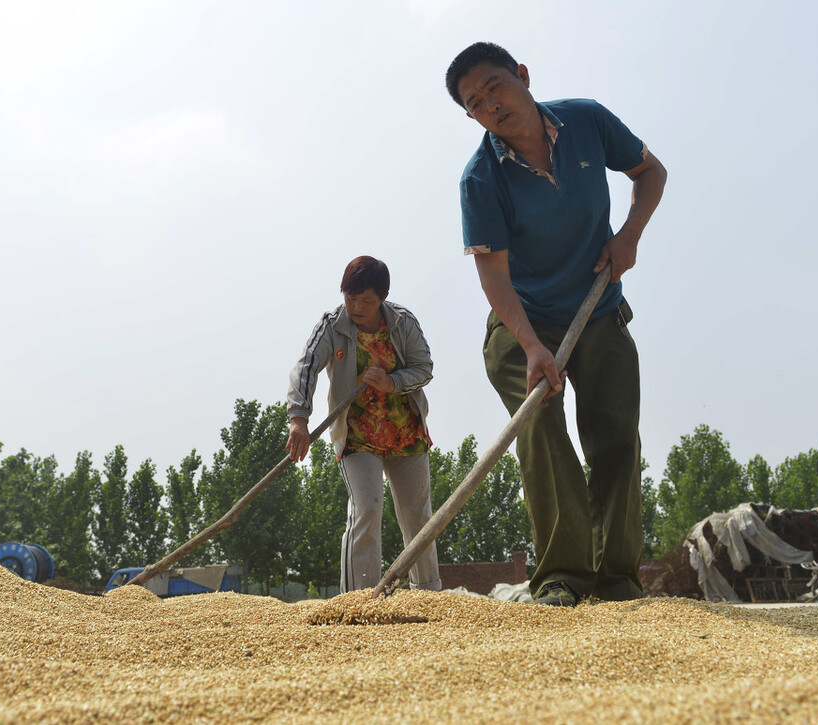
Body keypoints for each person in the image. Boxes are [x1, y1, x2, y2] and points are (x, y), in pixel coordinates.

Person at [445, 42, 667, 606]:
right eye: (475, 102)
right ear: (470, 117)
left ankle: (617, 583)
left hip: (598, 309)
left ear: (522, 76)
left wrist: (630, 235)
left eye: (495, 86)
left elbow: (650, 171)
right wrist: (531, 346)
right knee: (542, 433)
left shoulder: (586, 120)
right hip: (523, 323)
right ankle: (563, 579)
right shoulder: (480, 179)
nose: (490, 105)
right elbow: (494, 279)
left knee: (615, 435)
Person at [286, 256, 442, 593]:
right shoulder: (331, 325)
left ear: (382, 298)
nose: (356, 307)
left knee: (418, 515)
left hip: (406, 433)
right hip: (358, 437)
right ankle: (360, 598)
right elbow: (306, 368)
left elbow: (424, 367)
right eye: (350, 298)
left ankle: (428, 593)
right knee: (367, 509)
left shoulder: (403, 322)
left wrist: (392, 382)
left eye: (366, 301)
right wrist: (299, 418)